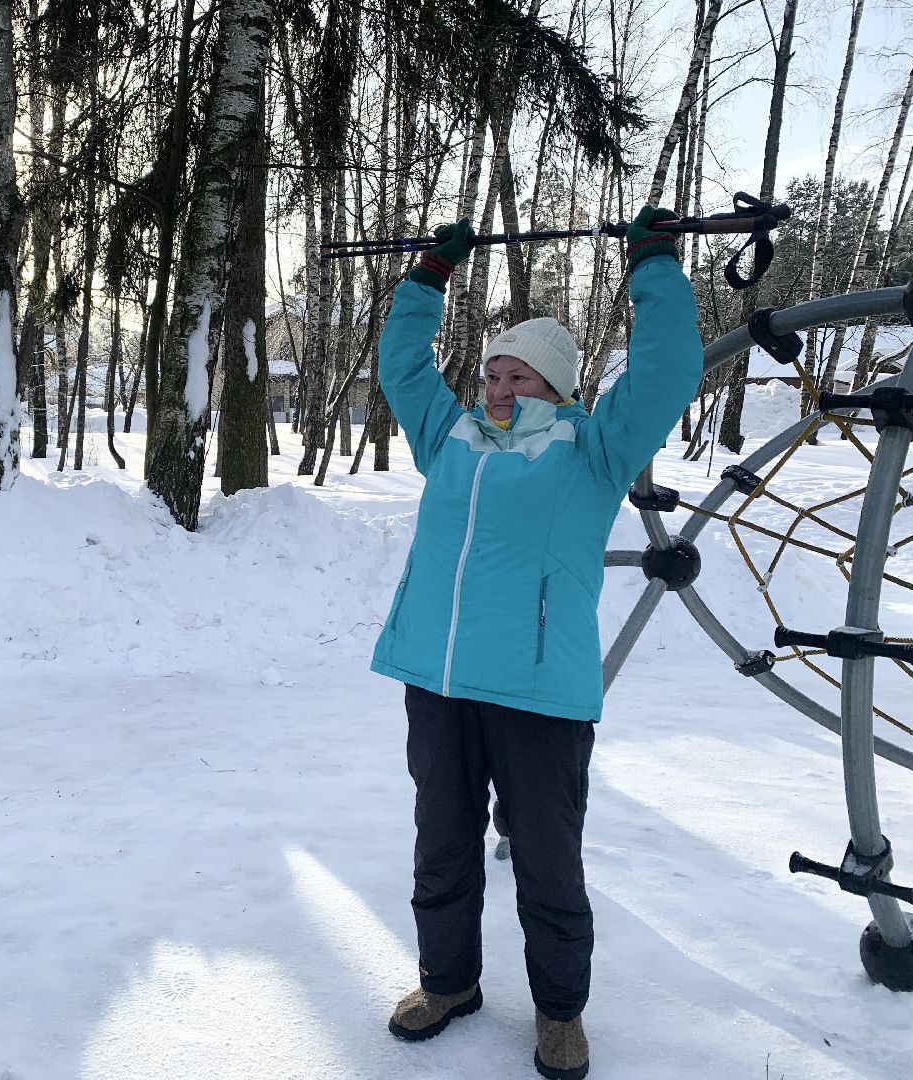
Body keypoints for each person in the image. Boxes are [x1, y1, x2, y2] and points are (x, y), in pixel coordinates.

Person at [371, 207, 702, 1080]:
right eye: (491, 372)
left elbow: (667, 370)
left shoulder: (593, 450)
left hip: (539, 695)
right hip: (438, 680)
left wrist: (654, 266)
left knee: (548, 864)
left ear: (556, 386)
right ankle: (447, 984)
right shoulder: (448, 437)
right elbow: (402, 366)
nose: (498, 386)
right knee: (441, 846)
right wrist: (425, 280)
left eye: (518, 375)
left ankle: (560, 1012)